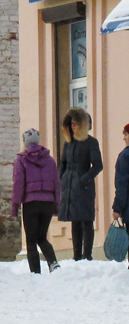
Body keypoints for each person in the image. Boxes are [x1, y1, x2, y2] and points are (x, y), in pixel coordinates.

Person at [11, 127, 60, 273]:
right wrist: (56, 205)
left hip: (31, 203)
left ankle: (35, 273)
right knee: (42, 237)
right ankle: (53, 263)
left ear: (25, 142)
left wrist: (15, 206)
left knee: (31, 240)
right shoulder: (50, 160)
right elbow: (57, 184)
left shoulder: (21, 160)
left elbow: (18, 184)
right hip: (47, 203)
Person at [58, 107, 103, 260]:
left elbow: (98, 165)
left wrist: (84, 179)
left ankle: (87, 255)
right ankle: (76, 255)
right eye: (71, 123)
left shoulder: (91, 142)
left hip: (84, 187)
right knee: (75, 220)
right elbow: (63, 163)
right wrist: (61, 179)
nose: (73, 126)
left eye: (76, 123)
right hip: (69, 186)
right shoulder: (68, 143)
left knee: (86, 220)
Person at [113, 122, 129, 268]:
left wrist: (117, 208)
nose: (124, 138)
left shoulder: (125, 156)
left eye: (125, 134)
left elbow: (122, 185)